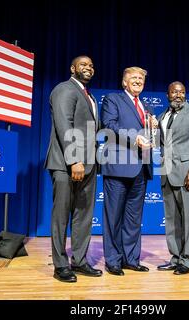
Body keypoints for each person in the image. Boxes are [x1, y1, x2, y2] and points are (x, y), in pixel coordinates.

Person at [44, 55, 102, 282]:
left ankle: (79, 261)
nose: (88, 67)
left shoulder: (90, 96)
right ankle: (60, 266)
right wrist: (73, 160)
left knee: (83, 216)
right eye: (83, 64)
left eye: (91, 65)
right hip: (67, 164)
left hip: (88, 165)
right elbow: (63, 124)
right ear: (72, 68)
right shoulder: (65, 89)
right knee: (61, 217)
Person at [100, 66, 156, 276]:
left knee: (133, 219)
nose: (137, 80)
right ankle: (113, 260)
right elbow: (109, 125)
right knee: (113, 217)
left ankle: (131, 259)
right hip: (118, 166)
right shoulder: (113, 99)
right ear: (124, 82)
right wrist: (134, 138)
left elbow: (151, 137)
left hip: (141, 169)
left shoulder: (146, 106)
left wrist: (154, 128)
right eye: (133, 77)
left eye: (141, 78)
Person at [156, 81, 189, 275]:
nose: (178, 95)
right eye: (174, 92)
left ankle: (187, 261)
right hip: (167, 174)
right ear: (168, 94)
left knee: (188, 220)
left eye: (182, 92)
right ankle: (175, 257)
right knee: (171, 221)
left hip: (188, 175)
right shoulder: (162, 116)